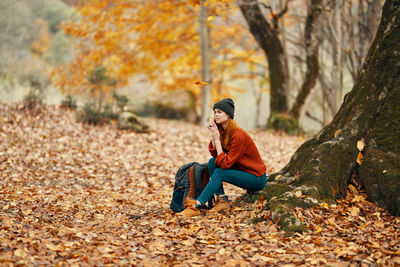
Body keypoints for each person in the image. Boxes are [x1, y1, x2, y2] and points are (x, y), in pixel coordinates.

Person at [178, 98, 267, 217]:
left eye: (219, 112)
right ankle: (222, 199)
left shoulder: (238, 135)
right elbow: (216, 156)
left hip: (256, 178)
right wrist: (214, 135)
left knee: (220, 172)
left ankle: (197, 205)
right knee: (212, 162)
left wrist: (216, 139)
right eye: (214, 112)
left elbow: (225, 164)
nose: (216, 115)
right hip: (243, 170)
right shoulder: (223, 132)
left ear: (228, 114)